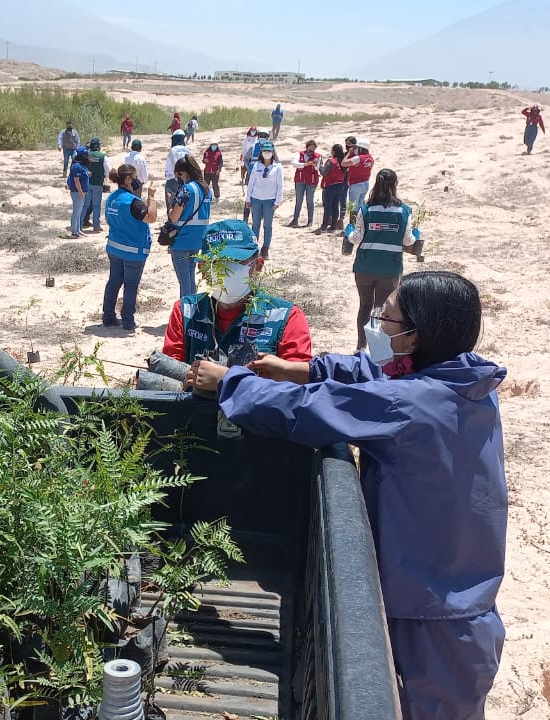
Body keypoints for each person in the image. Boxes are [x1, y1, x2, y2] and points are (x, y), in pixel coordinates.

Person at [184, 271, 507, 720]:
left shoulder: (411, 405)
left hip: (434, 616)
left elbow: (306, 411)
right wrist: (303, 369)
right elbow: (376, 371)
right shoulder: (464, 380)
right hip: (452, 591)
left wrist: (230, 383)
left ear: (414, 338)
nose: (377, 324)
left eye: (388, 318)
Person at [162, 219, 311, 363]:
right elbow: (168, 372)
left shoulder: (285, 318)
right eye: (217, 263)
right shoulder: (186, 312)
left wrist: (227, 379)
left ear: (257, 266)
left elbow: (297, 382)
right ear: (203, 269)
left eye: (236, 262)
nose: (226, 272)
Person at [343, 168, 416, 351]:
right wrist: (416, 234)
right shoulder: (404, 211)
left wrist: (348, 231)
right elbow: (408, 241)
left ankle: (361, 347)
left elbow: (357, 238)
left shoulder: (366, 209)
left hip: (365, 266)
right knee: (381, 308)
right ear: (395, 185)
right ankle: (378, 350)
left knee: (365, 306)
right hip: (389, 267)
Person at [102, 165, 158, 330]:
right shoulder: (132, 202)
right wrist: (151, 197)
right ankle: (128, 321)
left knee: (113, 282)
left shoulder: (112, 198)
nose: (137, 180)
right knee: (131, 285)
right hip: (133, 252)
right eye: (135, 177)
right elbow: (151, 217)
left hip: (114, 248)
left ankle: (108, 316)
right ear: (128, 179)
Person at [165, 156, 212, 297]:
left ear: (183, 172)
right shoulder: (206, 188)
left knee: (184, 280)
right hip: (197, 238)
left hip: (182, 239)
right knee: (191, 276)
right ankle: (193, 308)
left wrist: (171, 206)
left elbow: (174, 217)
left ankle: (186, 311)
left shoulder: (186, 189)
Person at [245, 140, 284, 258]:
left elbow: (280, 185)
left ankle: (265, 247)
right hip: (256, 199)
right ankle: (254, 248)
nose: (267, 153)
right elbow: (251, 182)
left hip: (270, 201)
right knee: (255, 224)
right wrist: (248, 198)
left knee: (268, 225)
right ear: (261, 152)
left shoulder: (278, 167)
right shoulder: (257, 165)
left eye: (269, 151)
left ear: (273, 152)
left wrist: (278, 201)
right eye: (265, 151)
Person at [314, 144, 348, 236]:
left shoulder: (331, 161)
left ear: (333, 152)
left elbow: (325, 172)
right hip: (340, 185)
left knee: (328, 207)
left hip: (330, 185)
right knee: (335, 206)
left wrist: (319, 166)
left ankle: (324, 226)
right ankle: (333, 226)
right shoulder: (343, 162)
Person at [288, 140, 321, 228]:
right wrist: (305, 164)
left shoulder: (318, 156)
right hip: (300, 180)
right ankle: (295, 220)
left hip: (311, 181)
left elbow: (319, 168)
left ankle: (310, 221)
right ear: (307, 147)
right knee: (299, 200)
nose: (312, 149)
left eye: (313, 147)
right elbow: (295, 164)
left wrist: (315, 164)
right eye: (310, 147)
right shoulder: (300, 154)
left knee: (309, 201)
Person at [82, 138, 112, 232]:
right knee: (96, 206)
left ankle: (79, 224)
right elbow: (108, 170)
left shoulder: (86, 155)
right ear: (98, 146)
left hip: (87, 183)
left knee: (85, 205)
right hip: (98, 184)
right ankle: (96, 226)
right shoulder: (103, 156)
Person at [341, 136, 375, 215]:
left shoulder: (358, 158)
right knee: (360, 206)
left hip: (356, 184)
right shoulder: (370, 158)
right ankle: (360, 224)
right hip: (365, 183)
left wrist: (349, 153)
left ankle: (353, 224)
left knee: (352, 207)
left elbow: (343, 163)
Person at [66, 146, 91, 239]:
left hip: (82, 191)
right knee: (76, 212)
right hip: (77, 192)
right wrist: (80, 192)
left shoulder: (81, 165)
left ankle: (78, 230)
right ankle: (74, 231)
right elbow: (76, 181)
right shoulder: (76, 166)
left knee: (79, 212)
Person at [163, 129, 192, 207]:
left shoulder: (173, 150)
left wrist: (178, 176)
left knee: (171, 203)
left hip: (173, 179)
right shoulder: (188, 150)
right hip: (186, 179)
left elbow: (175, 165)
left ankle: (171, 218)